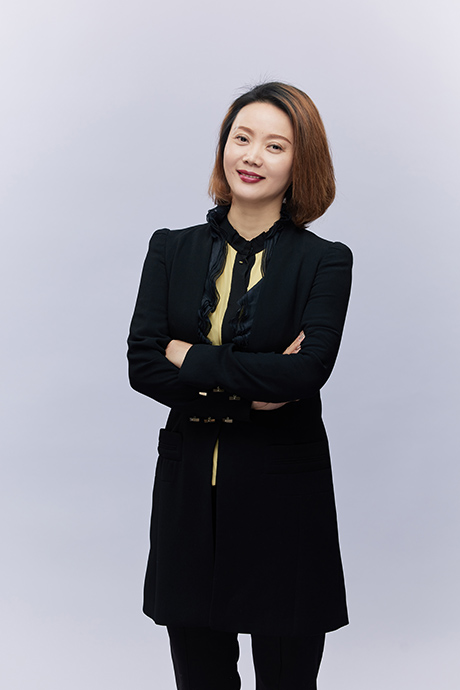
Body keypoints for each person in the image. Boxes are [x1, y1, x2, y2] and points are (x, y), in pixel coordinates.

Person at [127, 82, 352, 690]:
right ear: (223, 147)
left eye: (275, 145)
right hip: (189, 495)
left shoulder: (326, 261)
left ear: (301, 162)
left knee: (287, 678)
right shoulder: (170, 250)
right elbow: (144, 365)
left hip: (283, 497)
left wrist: (189, 357)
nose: (252, 156)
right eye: (241, 138)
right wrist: (256, 387)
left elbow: (305, 373)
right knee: (200, 677)